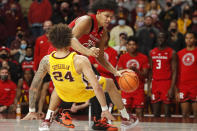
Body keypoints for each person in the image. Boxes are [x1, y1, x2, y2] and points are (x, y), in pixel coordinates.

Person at [46, 0, 137, 130]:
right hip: (59, 55)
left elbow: (100, 57)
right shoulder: (87, 20)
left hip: (74, 60)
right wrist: (88, 51)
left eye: (111, 17)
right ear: (99, 13)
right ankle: (59, 114)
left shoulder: (103, 32)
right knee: (74, 85)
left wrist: (115, 71)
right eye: (106, 16)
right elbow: (70, 39)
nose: (109, 19)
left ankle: (98, 120)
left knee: (104, 84)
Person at [23, 24, 132, 131]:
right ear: (70, 41)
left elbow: (34, 86)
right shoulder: (80, 59)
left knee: (58, 86)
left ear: (52, 42)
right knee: (109, 83)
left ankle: (47, 121)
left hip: (64, 95)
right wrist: (104, 109)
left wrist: (32, 110)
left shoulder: (46, 60)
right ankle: (125, 116)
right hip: (82, 94)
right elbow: (96, 86)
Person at [117, 36, 149, 117]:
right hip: (126, 88)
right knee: (125, 113)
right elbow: (120, 73)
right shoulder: (122, 57)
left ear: (137, 46)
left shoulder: (144, 57)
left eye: (134, 44)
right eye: (129, 44)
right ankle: (126, 129)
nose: (132, 46)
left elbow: (145, 74)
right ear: (126, 46)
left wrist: (136, 70)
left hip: (139, 89)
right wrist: (128, 70)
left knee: (140, 112)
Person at [148, 32, 177, 117]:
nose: (160, 39)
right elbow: (150, 71)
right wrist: (150, 86)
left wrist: (172, 87)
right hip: (155, 83)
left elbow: (175, 71)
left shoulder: (172, 52)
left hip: (166, 83)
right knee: (155, 114)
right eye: (159, 38)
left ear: (166, 39)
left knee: (167, 113)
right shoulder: (152, 52)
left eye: (162, 37)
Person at [176, 31, 197, 118]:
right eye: (187, 38)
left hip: (195, 86)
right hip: (183, 86)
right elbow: (176, 72)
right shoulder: (179, 53)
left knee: (196, 115)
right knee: (184, 115)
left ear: (195, 40)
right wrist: (176, 90)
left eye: (191, 38)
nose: (189, 40)